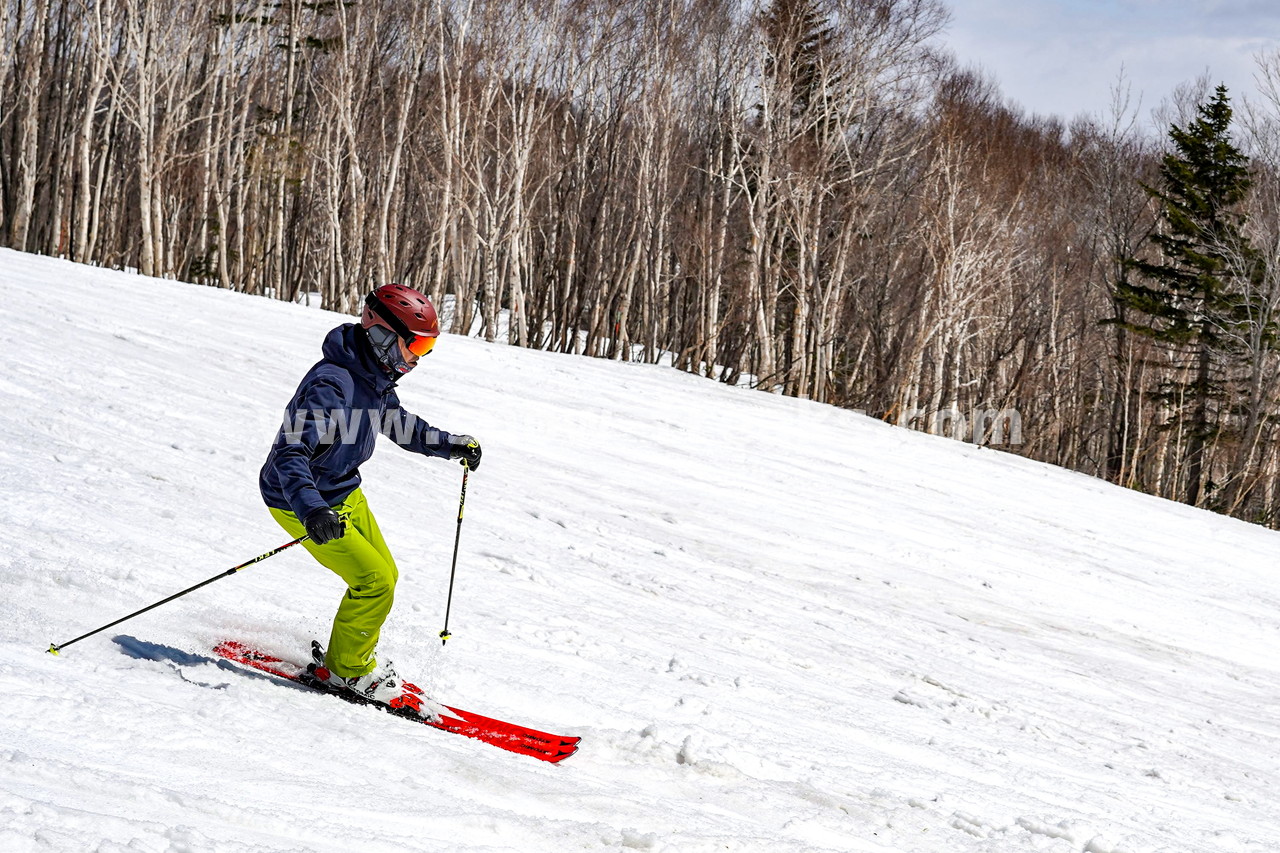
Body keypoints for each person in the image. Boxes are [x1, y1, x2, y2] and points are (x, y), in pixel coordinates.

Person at [259, 283, 481, 718]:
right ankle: (347, 670)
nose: (420, 357)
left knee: (385, 575)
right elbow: (290, 455)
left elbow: (400, 425)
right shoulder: (331, 383)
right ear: (381, 334)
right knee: (373, 581)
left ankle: (349, 658)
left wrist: (450, 444)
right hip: (299, 499)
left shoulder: (375, 379)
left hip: (343, 492)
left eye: (428, 347)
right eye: (416, 344)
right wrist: (312, 510)